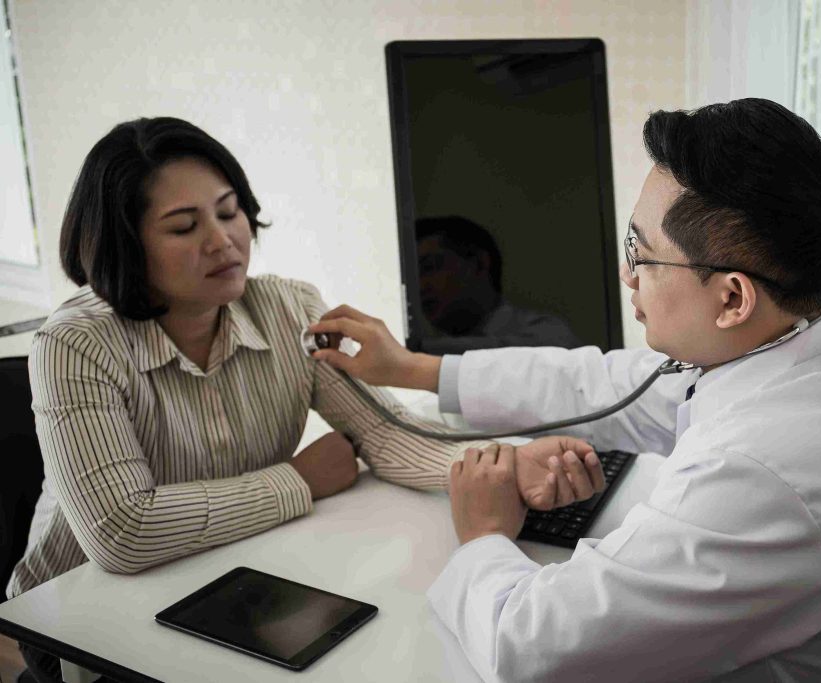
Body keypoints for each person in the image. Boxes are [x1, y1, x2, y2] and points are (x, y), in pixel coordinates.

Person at [309, 99, 821, 681]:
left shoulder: (760, 477)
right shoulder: (818, 342)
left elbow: (533, 651)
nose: (628, 275)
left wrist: (484, 536)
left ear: (731, 297)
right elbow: (612, 383)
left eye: (641, 252)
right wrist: (415, 368)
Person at [7, 117, 603, 683]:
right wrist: (298, 480)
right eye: (185, 227)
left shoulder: (288, 306)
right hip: (77, 615)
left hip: (223, 576)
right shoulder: (75, 343)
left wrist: (503, 463)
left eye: (229, 211)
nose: (224, 242)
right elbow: (122, 530)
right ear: (125, 245)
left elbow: (386, 434)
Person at [415, 215, 581, 353]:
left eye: (429, 268)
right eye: (413, 276)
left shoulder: (547, 335)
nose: (420, 287)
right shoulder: (434, 346)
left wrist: (415, 351)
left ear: (479, 264)